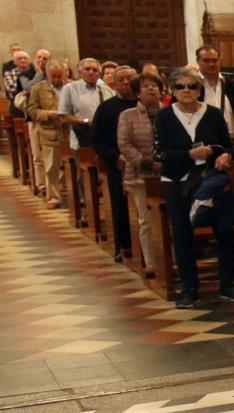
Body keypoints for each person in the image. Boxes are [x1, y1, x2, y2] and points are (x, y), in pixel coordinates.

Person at [154, 66, 234, 308]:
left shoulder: (213, 114)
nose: (186, 91)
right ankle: (189, 288)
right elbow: (159, 152)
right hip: (178, 181)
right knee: (182, 234)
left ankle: (227, 284)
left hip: (210, 180)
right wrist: (188, 153)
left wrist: (226, 157)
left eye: (192, 86)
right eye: (180, 86)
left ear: (199, 89)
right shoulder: (165, 116)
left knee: (224, 231)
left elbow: (229, 145)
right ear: (173, 90)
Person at [91, 65, 138, 262]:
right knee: (120, 204)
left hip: (144, 163)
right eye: (121, 80)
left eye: (130, 79)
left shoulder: (146, 105)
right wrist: (114, 156)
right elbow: (96, 140)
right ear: (115, 83)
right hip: (117, 164)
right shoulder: (106, 108)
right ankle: (123, 245)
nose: (126, 83)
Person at [118, 72, 163, 270]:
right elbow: (124, 144)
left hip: (166, 172)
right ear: (137, 93)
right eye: (146, 86)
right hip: (140, 175)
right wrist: (147, 163)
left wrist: (166, 161)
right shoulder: (128, 116)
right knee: (145, 219)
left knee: (167, 219)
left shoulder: (169, 113)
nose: (151, 89)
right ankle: (151, 262)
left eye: (155, 86)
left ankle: (170, 260)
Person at [196, 45, 234, 159]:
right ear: (198, 61)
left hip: (233, 147)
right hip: (203, 149)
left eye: (214, 60)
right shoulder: (193, 87)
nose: (211, 64)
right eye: (206, 61)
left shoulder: (232, 86)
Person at [26, 61, 67, 208]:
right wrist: (48, 114)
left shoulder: (72, 86)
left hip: (70, 132)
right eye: (53, 77)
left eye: (59, 76)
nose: (56, 79)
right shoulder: (38, 88)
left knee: (73, 167)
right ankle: (54, 198)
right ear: (47, 75)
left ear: (65, 73)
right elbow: (31, 111)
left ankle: (76, 195)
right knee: (51, 168)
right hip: (50, 132)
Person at [58, 58, 113, 149]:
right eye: (87, 69)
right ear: (80, 72)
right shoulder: (70, 89)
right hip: (81, 140)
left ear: (99, 74)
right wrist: (86, 121)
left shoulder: (106, 91)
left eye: (95, 70)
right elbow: (63, 116)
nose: (91, 72)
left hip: (104, 141)